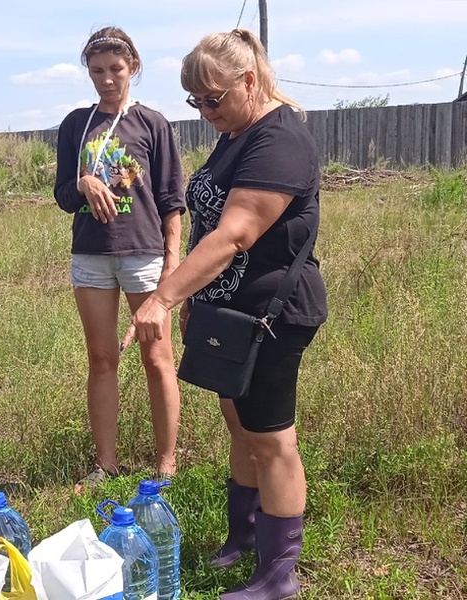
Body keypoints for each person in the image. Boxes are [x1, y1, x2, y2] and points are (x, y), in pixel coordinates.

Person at [122, 29, 327, 600]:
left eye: (213, 98)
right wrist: (195, 298)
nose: (206, 111)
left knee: (271, 439)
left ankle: (277, 576)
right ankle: (245, 536)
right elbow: (208, 226)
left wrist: (164, 298)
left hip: (271, 315)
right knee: (240, 426)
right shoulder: (237, 132)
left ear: (249, 81)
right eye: (196, 102)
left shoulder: (279, 139)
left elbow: (236, 232)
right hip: (230, 313)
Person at [53, 26, 186, 486]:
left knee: (157, 357)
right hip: (92, 255)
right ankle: (105, 464)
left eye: (115, 69)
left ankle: (166, 465)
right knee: (102, 358)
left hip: (144, 253)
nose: (107, 79)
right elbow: (63, 196)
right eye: (97, 71)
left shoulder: (152, 123)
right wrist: (83, 183)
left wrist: (173, 263)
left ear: (133, 68)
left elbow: (172, 200)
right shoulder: (77, 124)